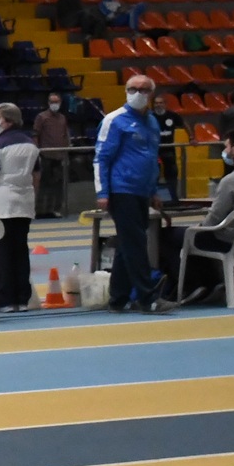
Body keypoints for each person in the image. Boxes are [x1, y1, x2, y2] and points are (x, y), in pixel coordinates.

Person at [94, 73, 171, 314]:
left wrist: (154, 191)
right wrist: (102, 192)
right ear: (126, 91)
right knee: (136, 243)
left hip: (142, 191)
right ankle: (148, 298)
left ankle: (118, 298)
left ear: (151, 94)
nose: (138, 93)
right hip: (122, 190)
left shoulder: (152, 122)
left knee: (127, 244)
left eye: (143, 89)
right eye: (133, 89)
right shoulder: (114, 120)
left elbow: (152, 159)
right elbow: (101, 158)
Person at [174, 129, 234, 304]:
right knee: (197, 235)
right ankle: (215, 282)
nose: (225, 151)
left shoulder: (231, 181)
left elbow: (214, 218)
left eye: (226, 146)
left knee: (175, 235)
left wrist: (198, 227)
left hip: (229, 239)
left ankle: (196, 285)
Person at [0, 103, 39, 310]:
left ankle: (5, 299)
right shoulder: (31, 144)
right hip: (24, 202)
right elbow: (36, 176)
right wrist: (31, 197)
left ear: (9, 121)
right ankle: (22, 298)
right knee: (20, 250)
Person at [33, 92, 71, 217]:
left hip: (60, 156)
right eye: (52, 102)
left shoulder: (62, 118)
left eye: (57, 102)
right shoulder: (42, 117)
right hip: (45, 156)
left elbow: (65, 135)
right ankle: (40, 210)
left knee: (58, 185)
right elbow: (35, 134)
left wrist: (66, 151)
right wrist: (37, 152)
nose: (55, 104)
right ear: (48, 103)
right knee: (43, 184)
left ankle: (56, 209)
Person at [151, 91, 182, 201]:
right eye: (156, 103)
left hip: (169, 151)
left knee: (172, 174)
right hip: (154, 151)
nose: (158, 105)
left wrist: (192, 137)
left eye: (160, 103)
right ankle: (153, 198)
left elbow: (184, 124)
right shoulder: (150, 117)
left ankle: (173, 198)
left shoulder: (172, 115)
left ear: (165, 104)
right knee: (154, 175)